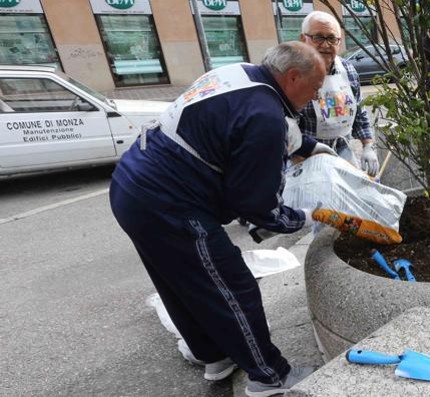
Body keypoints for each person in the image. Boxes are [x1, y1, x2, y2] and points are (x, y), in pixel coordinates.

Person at [110, 42, 339, 397]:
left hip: (132, 186)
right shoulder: (264, 116)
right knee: (232, 286)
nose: (316, 96)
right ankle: (269, 376)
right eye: (314, 88)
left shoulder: (241, 74)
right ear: (293, 77)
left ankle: (215, 357)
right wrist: (307, 216)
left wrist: (308, 146)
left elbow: (235, 121)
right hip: (170, 203)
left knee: (183, 283)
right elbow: (257, 205)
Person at [297, 11, 379, 177]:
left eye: (332, 38)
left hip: (343, 151)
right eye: (318, 37)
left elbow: (359, 111)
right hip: (304, 156)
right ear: (303, 39)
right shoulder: (293, 73)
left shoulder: (348, 70)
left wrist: (368, 146)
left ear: (339, 42)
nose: (326, 45)